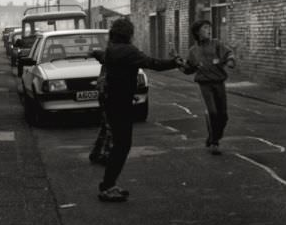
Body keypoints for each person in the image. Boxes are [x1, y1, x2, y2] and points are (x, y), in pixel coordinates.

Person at [95, 18, 184, 202]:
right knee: (122, 145)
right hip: (122, 105)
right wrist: (174, 62)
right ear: (129, 34)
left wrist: (94, 52)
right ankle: (107, 186)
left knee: (119, 144)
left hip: (112, 102)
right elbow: (153, 63)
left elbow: (102, 57)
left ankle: (108, 184)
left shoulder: (111, 50)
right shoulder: (129, 51)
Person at [181, 19, 235, 155]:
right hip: (204, 85)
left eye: (209, 28)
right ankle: (214, 143)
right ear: (197, 32)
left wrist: (230, 61)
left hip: (219, 83)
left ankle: (213, 137)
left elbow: (228, 53)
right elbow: (188, 69)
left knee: (223, 115)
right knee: (212, 113)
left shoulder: (216, 44)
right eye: (205, 28)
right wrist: (179, 63)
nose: (209, 30)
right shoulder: (193, 51)